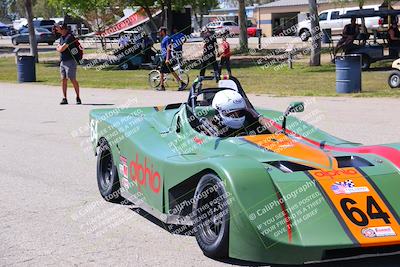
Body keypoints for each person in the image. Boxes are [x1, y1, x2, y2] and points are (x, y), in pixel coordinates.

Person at [204, 90, 278, 137]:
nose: (236, 115)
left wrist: (278, 133)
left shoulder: (248, 117)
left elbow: (267, 133)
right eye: (232, 113)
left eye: (239, 112)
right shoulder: (210, 127)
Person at [55, 23, 81, 105]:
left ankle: (78, 97)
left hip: (71, 61)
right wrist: (59, 47)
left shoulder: (69, 37)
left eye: (58, 27)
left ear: (63, 28)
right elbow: (59, 47)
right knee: (63, 79)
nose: (56, 28)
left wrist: (59, 48)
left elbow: (62, 48)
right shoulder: (62, 37)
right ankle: (64, 98)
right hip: (63, 61)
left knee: (72, 79)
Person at [158, 27, 187, 91]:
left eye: (160, 31)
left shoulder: (167, 38)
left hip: (166, 57)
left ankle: (162, 86)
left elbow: (169, 48)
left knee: (162, 71)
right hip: (165, 56)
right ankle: (181, 83)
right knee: (169, 71)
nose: (159, 33)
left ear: (163, 31)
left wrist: (167, 59)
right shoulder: (164, 38)